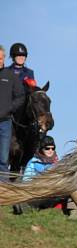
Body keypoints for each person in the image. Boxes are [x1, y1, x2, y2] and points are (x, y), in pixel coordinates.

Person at [0, 45, 25, 181]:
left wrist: (9, 108)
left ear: (4, 58)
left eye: (0, 58)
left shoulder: (10, 76)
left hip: (5, 122)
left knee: (3, 158)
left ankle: (3, 191)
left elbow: (20, 96)